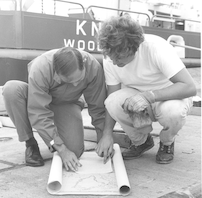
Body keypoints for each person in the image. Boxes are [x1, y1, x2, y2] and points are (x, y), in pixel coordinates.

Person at [96, 15, 196, 164]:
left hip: (169, 96)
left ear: (134, 47)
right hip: (138, 101)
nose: (115, 62)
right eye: (112, 57)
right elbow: (113, 97)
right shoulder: (111, 56)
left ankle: (167, 142)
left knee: (173, 112)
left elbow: (189, 87)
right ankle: (141, 142)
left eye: (119, 57)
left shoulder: (156, 47)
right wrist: (107, 133)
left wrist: (148, 96)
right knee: (112, 102)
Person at [3, 47, 107, 171]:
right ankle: (30, 143)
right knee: (11, 90)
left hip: (67, 103)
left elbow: (98, 107)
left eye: (78, 80)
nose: (75, 85)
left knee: (74, 151)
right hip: (39, 101)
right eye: (68, 81)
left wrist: (103, 137)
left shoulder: (93, 67)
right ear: (56, 72)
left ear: (84, 65)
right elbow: (39, 112)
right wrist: (62, 149)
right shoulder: (41, 68)